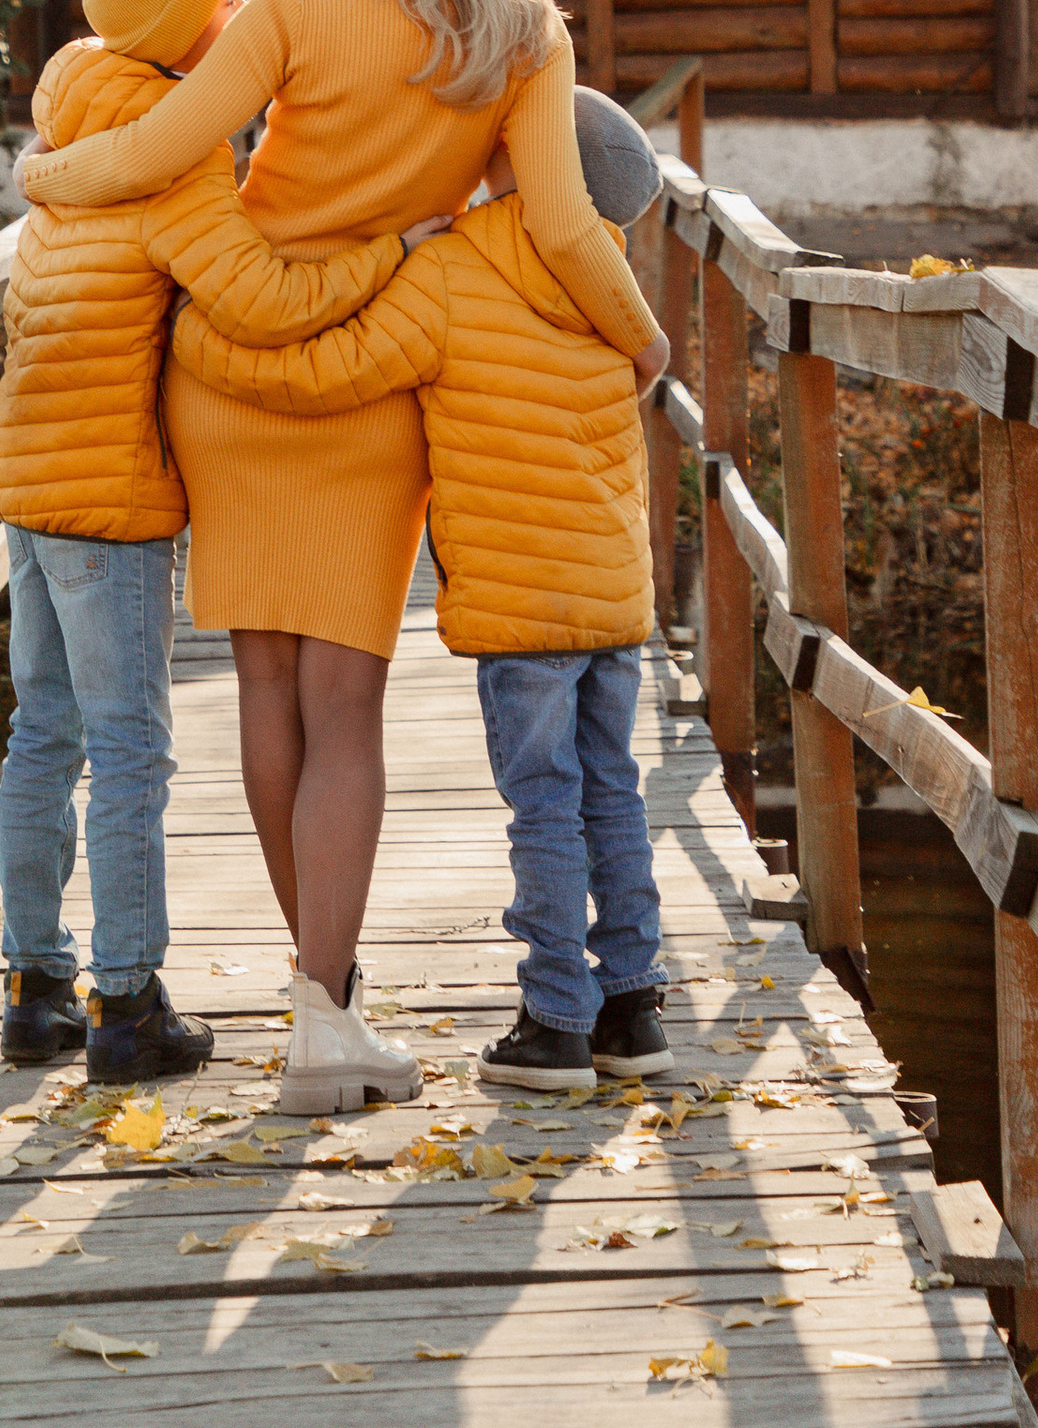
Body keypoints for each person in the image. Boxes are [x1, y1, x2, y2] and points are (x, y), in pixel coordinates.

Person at [19, 0, 665, 1111]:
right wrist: (641, 335)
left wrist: (42, 175)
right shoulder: (517, 28)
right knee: (345, 709)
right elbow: (557, 224)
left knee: (264, 692)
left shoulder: (300, 11)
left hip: (230, 367)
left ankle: (330, 1004)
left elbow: (156, 149)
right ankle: (323, 1011)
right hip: (367, 383)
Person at [171, 89, 673, 1090]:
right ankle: (633, 1013)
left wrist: (200, 342)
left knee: (543, 804)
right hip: (613, 596)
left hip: (520, 603)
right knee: (610, 794)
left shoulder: (453, 265)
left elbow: (335, 373)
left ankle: (555, 1023)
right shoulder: (610, 285)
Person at [0, 0, 403, 1084]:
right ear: (183, 30)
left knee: (41, 735)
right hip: (108, 494)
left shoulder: (75, 126)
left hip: (24, 481)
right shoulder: (170, 156)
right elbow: (261, 298)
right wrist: (389, 250)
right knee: (126, 750)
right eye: (222, 3)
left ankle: (33, 988)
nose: (237, 20)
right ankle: (127, 1005)